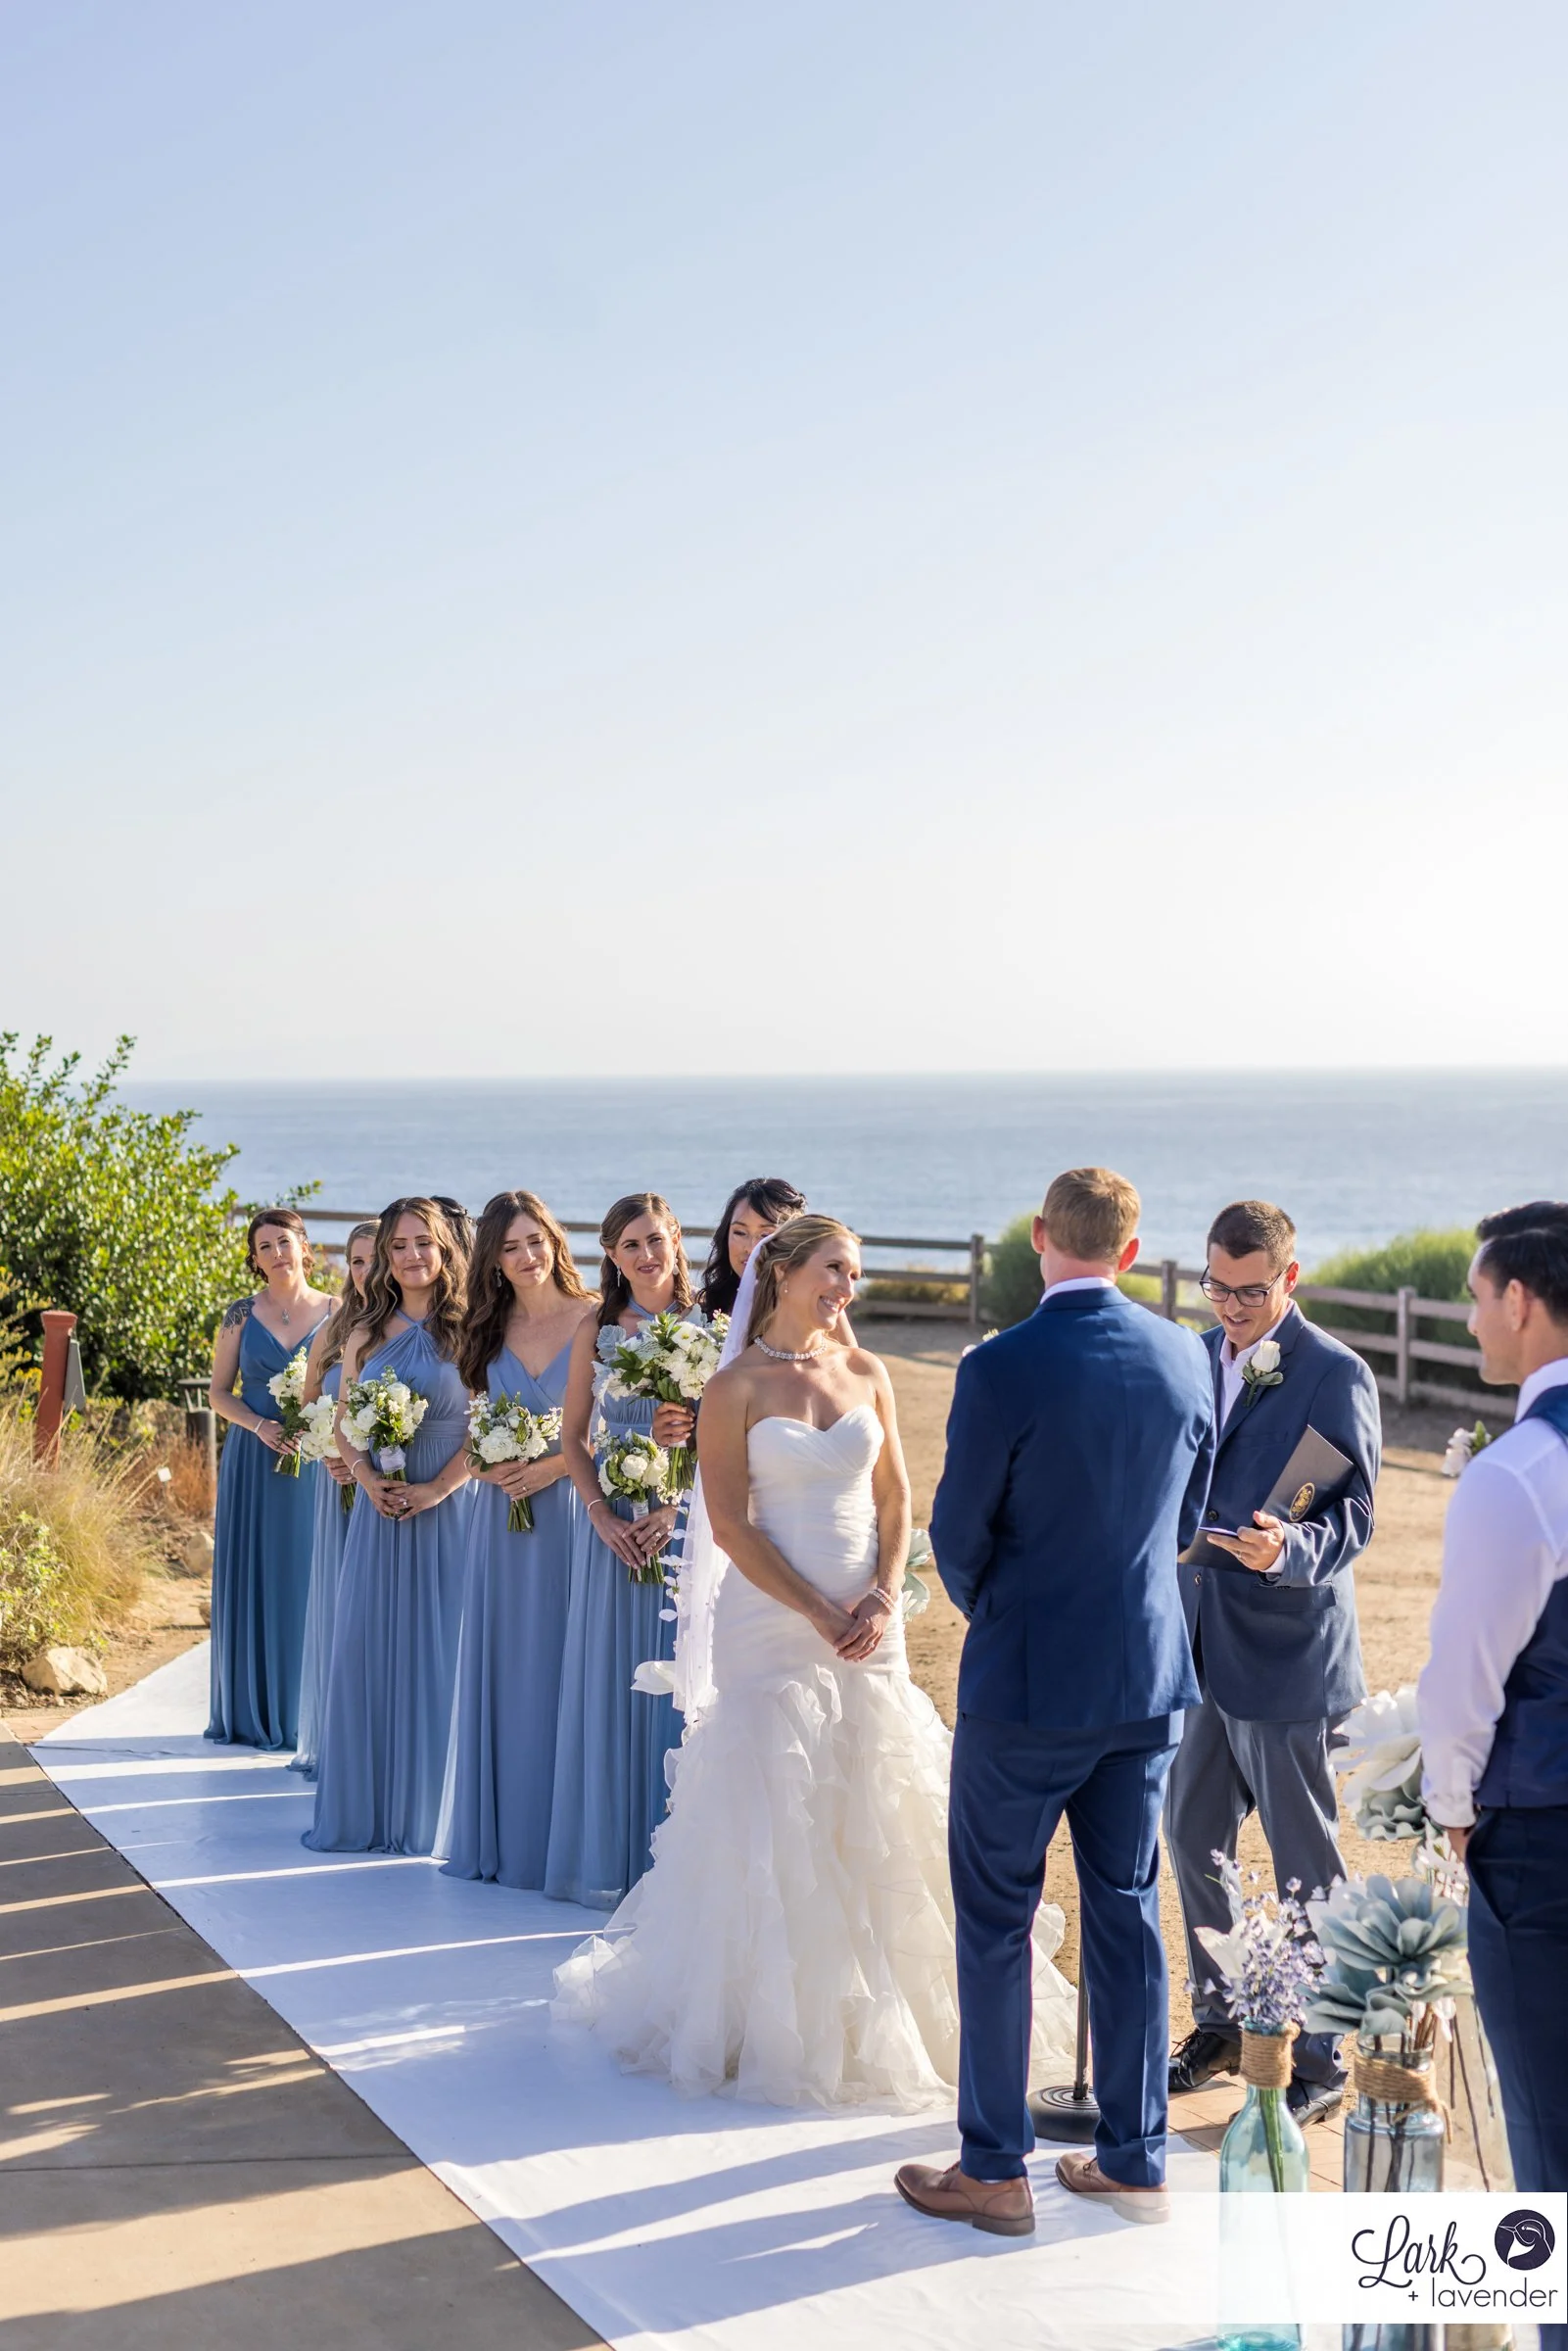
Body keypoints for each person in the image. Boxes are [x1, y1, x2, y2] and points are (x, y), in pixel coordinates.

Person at [552, 1215, 1076, 2106]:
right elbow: (728, 1525)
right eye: (834, 1269)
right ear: (785, 1272)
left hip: (869, 1628)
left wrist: (876, 1596)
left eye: (854, 1273)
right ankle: (771, 2023)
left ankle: (903, 2015)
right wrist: (815, 1609)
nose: (846, 1287)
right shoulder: (735, 1387)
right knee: (774, 1807)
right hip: (770, 1621)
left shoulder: (867, 1372)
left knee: (881, 1796)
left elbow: (899, 1497)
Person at [897, 1168, 1214, 2235]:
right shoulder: (1186, 1353)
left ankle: (992, 2169)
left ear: (1040, 1237)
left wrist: (1002, 1609)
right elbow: (1186, 1516)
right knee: (1127, 1913)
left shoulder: (998, 1365)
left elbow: (956, 1531)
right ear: (1129, 1251)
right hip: (1145, 1683)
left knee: (993, 1920)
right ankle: (1131, 2158)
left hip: (1026, 1687)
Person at [1164, 1199, 1380, 2128]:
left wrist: (1289, 1549)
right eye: (1217, 1286)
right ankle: (1220, 2020)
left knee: (1306, 1868)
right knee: (1190, 1835)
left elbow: (1356, 1510)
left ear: (1288, 1278)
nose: (1231, 1306)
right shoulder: (1191, 1353)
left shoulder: (1336, 1371)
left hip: (1290, 1656)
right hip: (1198, 1642)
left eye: (1250, 1291)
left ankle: (1324, 2055)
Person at [1419, 1202, 1568, 2306]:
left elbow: (1462, 1679)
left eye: (1476, 1299)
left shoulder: (1515, 1474)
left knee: (1548, 2148)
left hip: (1539, 1844)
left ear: (1520, 1300)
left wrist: (1447, 1805)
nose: (1472, 1322)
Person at [545, 1193, 701, 1907]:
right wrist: (601, 1514)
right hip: (610, 1531)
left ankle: (680, 1860)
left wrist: (674, 1504)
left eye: (655, 1240)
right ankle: (614, 1857)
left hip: (688, 1527)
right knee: (613, 1681)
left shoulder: (711, 1327)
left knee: (683, 1684)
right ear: (611, 1256)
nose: (645, 1255)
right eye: (629, 1245)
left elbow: (728, 1435)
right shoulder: (596, 1327)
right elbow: (573, 1437)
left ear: (675, 1242)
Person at [305, 1199, 474, 1855]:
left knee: (442, 1651)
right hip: (379, 1514)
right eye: (397, 1245)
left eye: (422, 1244)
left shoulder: (471, 1329)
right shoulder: (364, 1334)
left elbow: (483, 1426)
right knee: (368, 1648)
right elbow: (346, 1424)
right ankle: (369, 1808)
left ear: (445, 1249)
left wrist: (437, 1487)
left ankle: (432, 1808)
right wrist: (366, 1477)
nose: (409, 1257)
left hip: (448, 1507)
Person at [438, 1190, 595, 1888]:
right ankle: (507, 1838)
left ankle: (562, 1842)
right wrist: (488, 1464)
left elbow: (608, 1427)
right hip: (501, 1523)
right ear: (492, 1261)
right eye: (509, 1247)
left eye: (535, 1240)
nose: (526, 1256)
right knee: (508, 1668)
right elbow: (467, 1439)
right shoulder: (484, 1331)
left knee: (568, 1667)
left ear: (555, 1241)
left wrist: (549, 1467)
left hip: (571, 1518)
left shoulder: (594, 1318)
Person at [207, 1208, 333, 1749]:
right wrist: (258, 1425)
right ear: (255, 1261)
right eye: (264, 1247)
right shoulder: (239, 1315)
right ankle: (253, 1710)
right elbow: (218, 1393)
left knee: (309, 1573)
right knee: (256, 1573)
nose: (277, 1253)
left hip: (316, 1460)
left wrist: (322, 1428)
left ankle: (311, 1712)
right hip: (254, 1460)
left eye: (284, 1241)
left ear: (305, 1247)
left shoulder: (341, 1312)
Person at [289, 1220, 377, 1779]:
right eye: (357, 1261)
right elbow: (309, 1402)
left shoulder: (399, 1325)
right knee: (338, 1604)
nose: (366, 1271)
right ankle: (331, 1733)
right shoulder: (336, 1325)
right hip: (340, 1480)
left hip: (384, 1476)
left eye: (374, 1259)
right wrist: (327, 1449)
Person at [699, 1176, 856, 1342]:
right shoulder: (713, 1303)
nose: (751, 1248)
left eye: (765, 1235)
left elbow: (852, 1365)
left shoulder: (816, 1302)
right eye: (740, 1233)